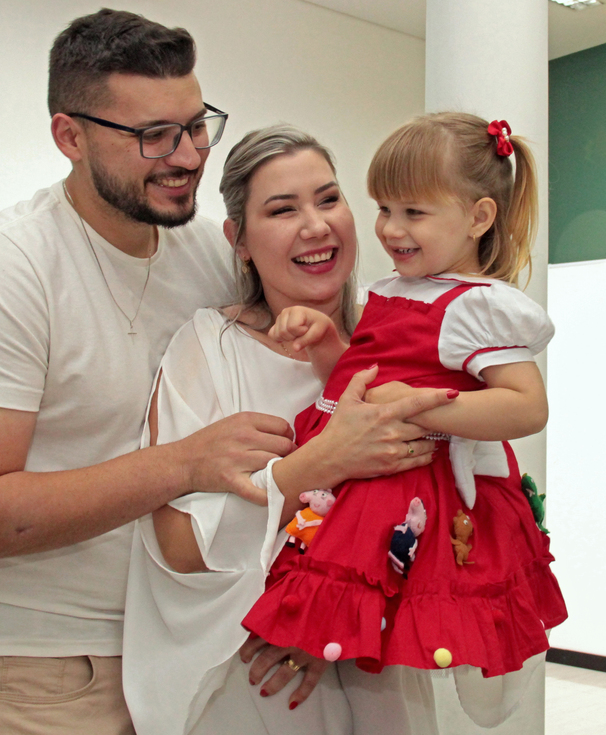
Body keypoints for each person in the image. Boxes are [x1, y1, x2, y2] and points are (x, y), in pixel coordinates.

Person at [0, 10, 452, 734]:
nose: (186, 155)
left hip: (200, 648)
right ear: (69, 136)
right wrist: (182, 466)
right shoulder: (7, 266)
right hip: (40, 664)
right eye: (152, 137)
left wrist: (327, 612)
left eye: (197, 126)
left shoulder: (204, 253)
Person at [242, 113, 569, 726]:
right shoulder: (394, 288)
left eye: (414, 212)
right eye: (385, 208)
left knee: (391, 645)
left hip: (404, 480)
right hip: (356, 459)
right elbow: (362, 376)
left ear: (479, 217)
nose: (392, 228)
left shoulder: (476, 304)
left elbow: (526, 405)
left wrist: (425, 408)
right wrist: (326, 343)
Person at [123, 126, 442, 735]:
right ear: (238, 240)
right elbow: (182, 544)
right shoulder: (209, 349)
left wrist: (338, 622)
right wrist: (324, 461)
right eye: (282, 210)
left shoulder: (405, 338)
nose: (316, 226)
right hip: (256, 680)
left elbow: (440, 512)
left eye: (328, 200)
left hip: (383, 667)